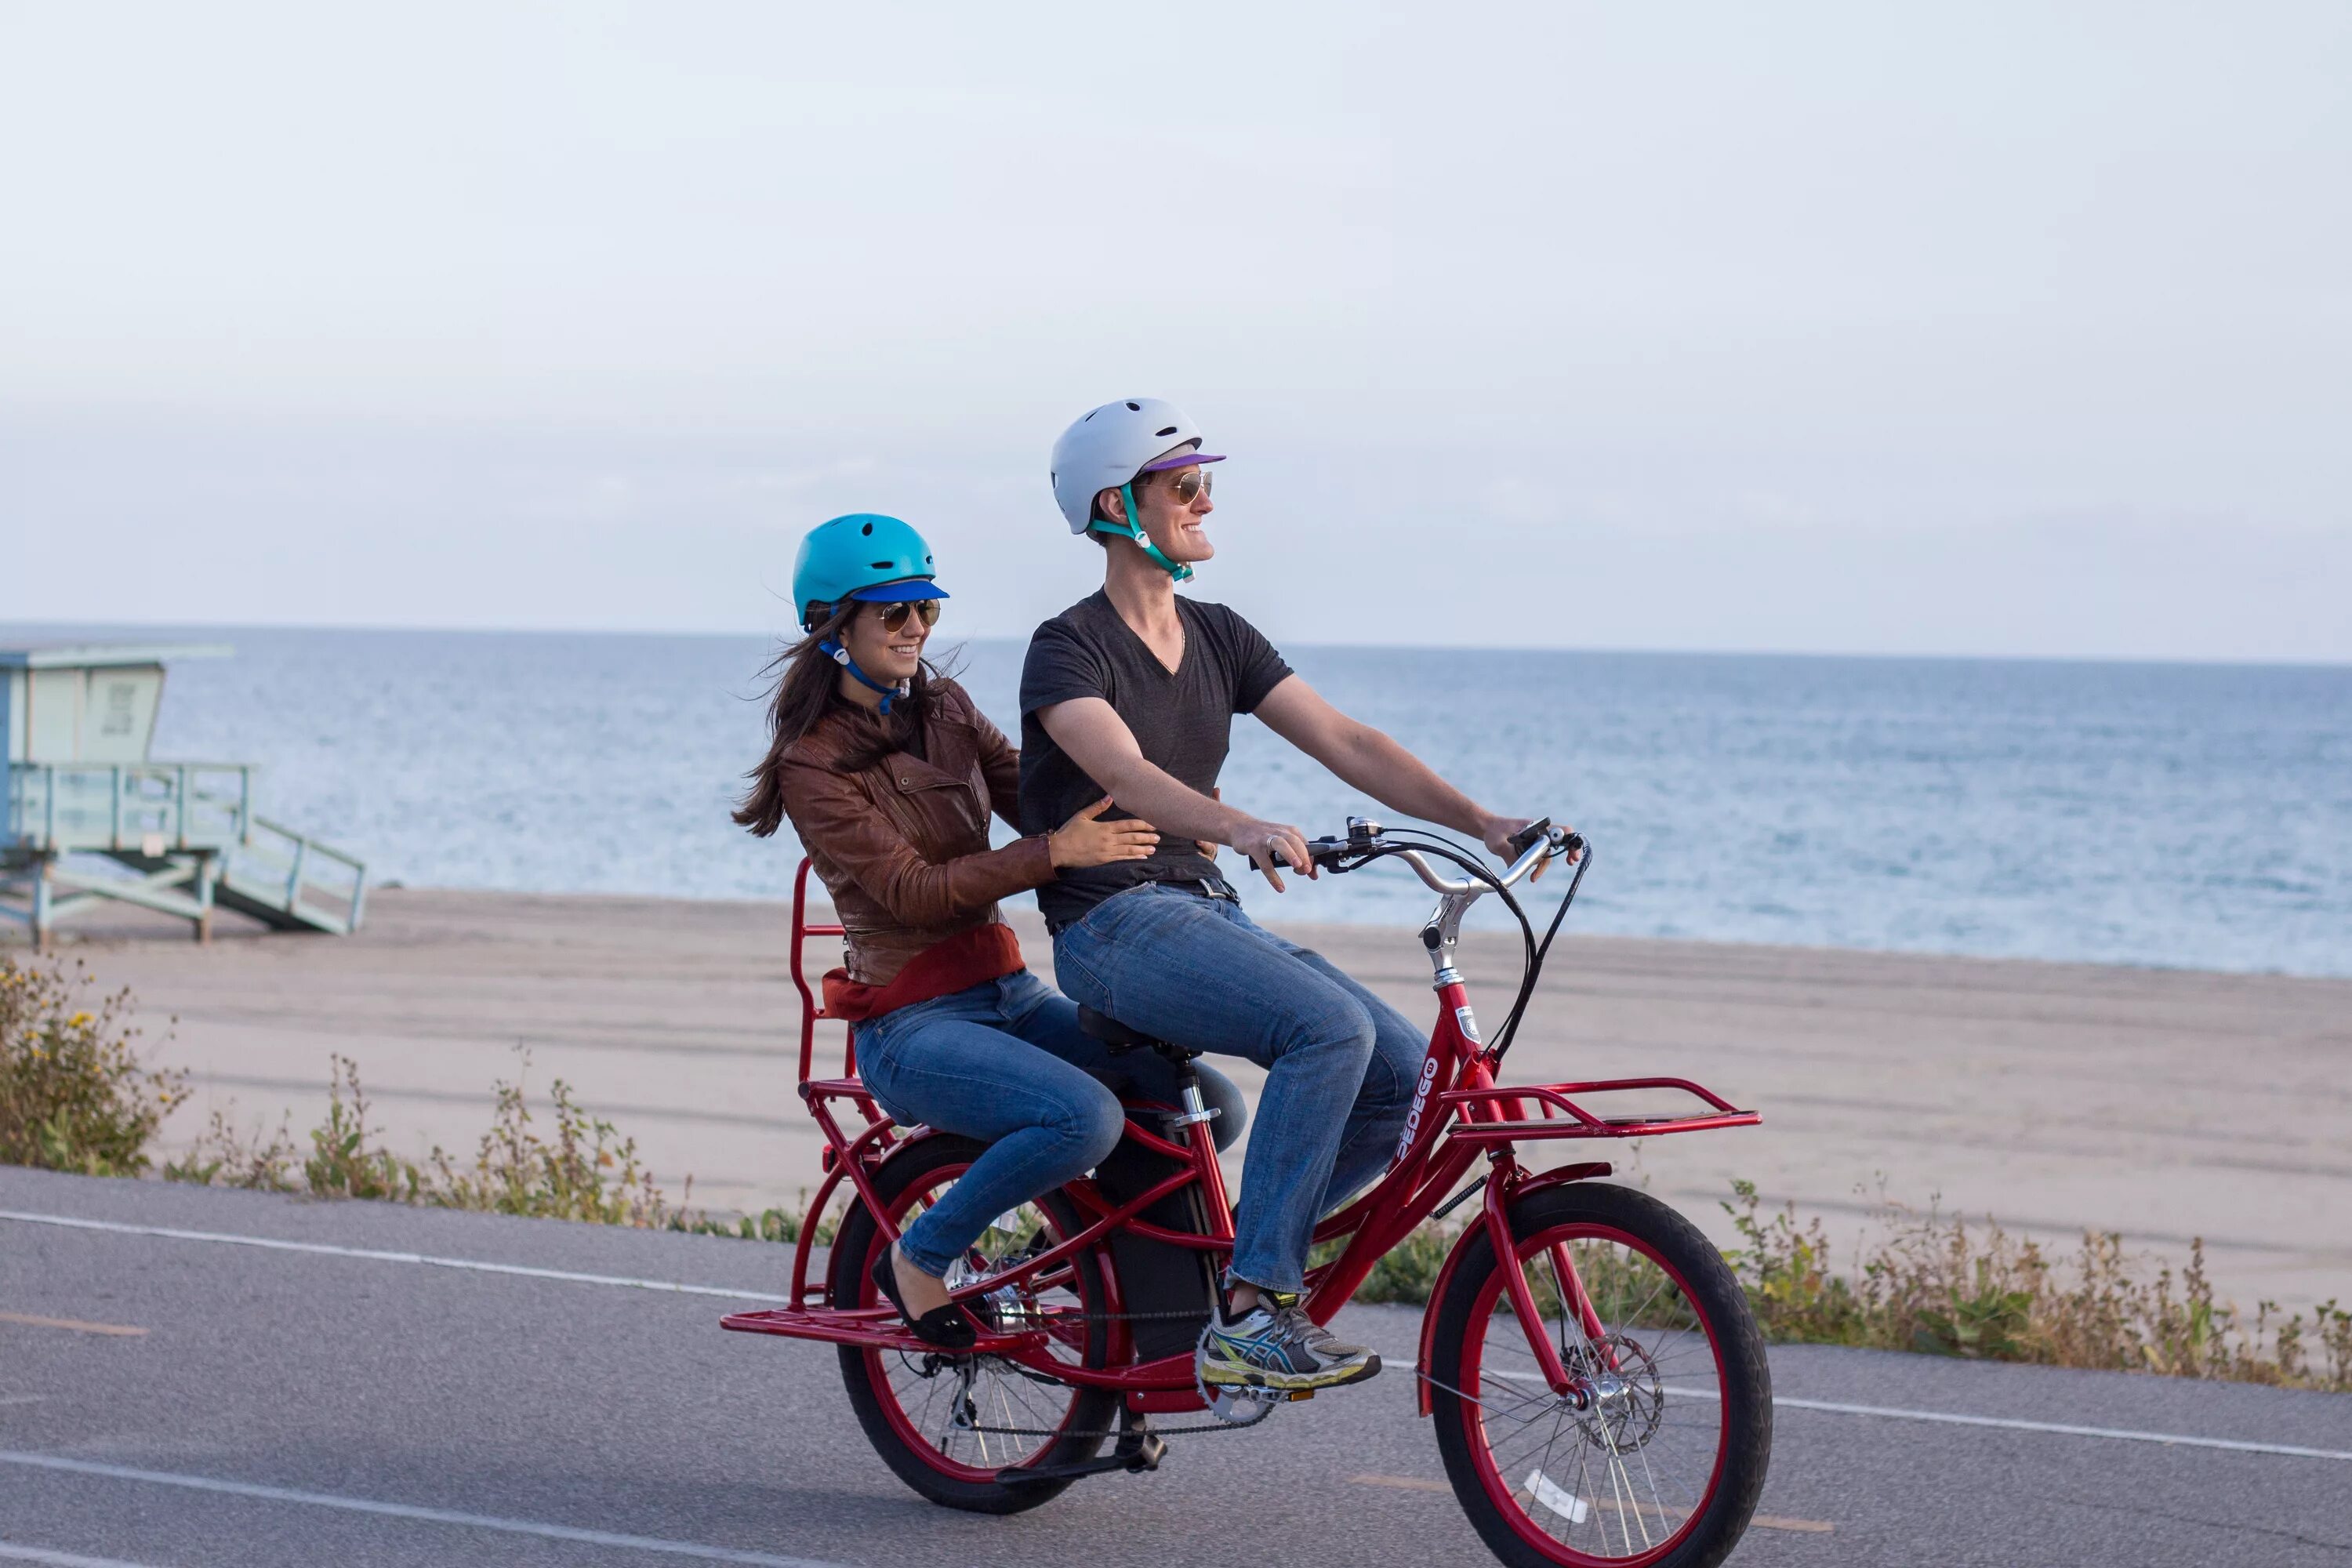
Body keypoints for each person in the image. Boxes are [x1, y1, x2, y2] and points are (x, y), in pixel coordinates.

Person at [1021, 400, 1560, 1393]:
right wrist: (1239, 825)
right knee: (1325, 1030)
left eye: (1204, 481)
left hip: (1201, 911)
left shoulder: (1221, 636)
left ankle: (1251, 1255)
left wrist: (1480, 820)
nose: (1206, 497)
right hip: (1110, 922)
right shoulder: (1068, 649)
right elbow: (1127, 773)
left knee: (1399, 1075)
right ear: (1117, 503)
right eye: (1183, 483)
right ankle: (1253, 1311)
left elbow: (1347, 741)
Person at [738, 511, 1244, 1349]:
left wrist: (1178, 810)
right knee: (1082, 1118)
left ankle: (1075, 1255)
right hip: (912, 1023)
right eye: (893, 613)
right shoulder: (812, 765)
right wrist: (1054, 852)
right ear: (832, 624)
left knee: (1203, 1103)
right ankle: (920, 1256)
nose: (917, 628)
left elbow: (1043, 794)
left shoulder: (947, 708)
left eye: (926, 609)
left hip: (1005, 992)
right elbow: (913, 891)